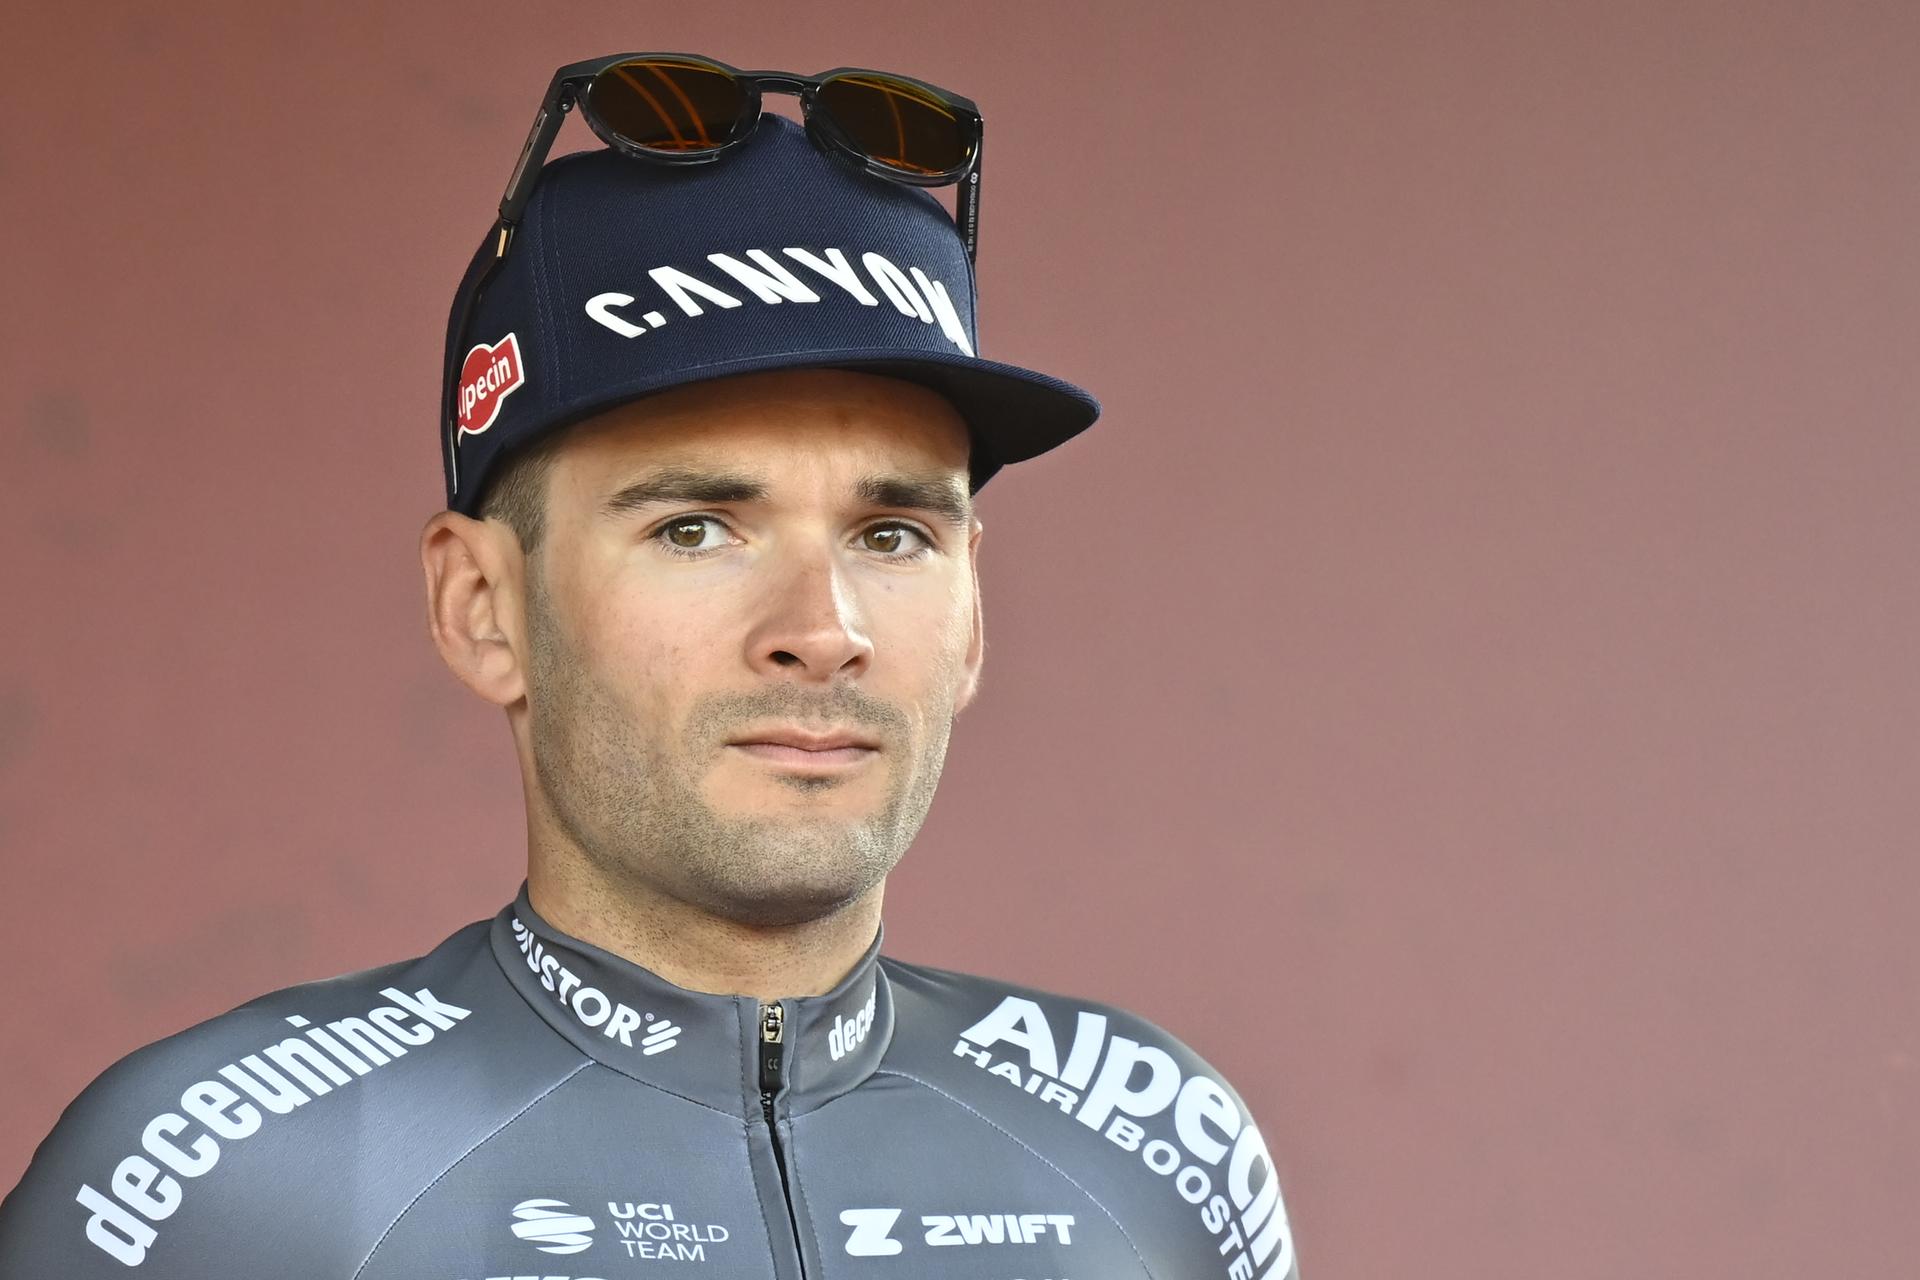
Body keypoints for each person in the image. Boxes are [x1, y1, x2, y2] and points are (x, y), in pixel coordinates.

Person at [0, 53, 1299, 1279]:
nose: (823, 627)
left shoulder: (1158, 1159)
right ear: (482, 608)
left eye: (892, 533)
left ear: (969, 617)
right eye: (695, 527)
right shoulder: (210, 1183)